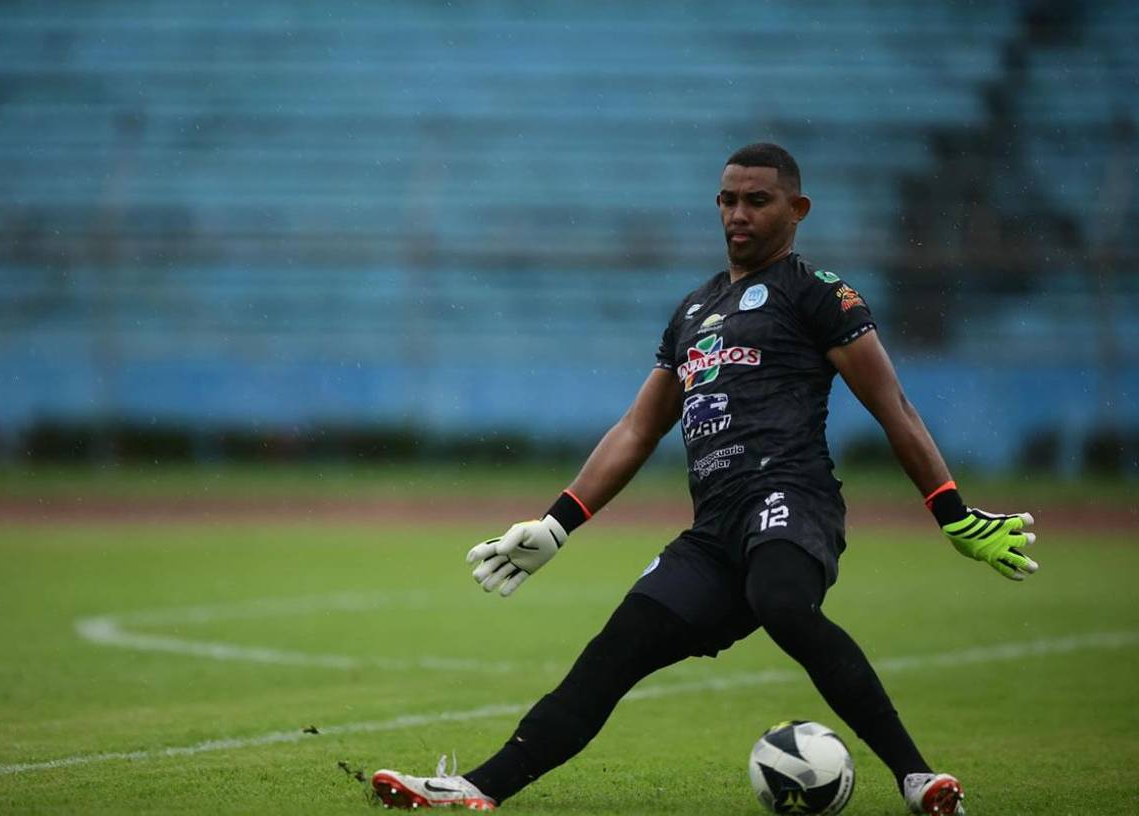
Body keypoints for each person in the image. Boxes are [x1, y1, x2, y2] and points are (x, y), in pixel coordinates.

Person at [371, 143, 1038, 815]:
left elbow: (893, 405)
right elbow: (638, 428)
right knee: (616, 649)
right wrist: (556, 521)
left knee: (781, 600)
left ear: (797, 209)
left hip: (791, 500)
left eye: (757, 200)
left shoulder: (819, 294)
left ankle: (918, 779)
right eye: (727, 199)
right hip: (715, 528)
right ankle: (479, 789)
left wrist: (951, 512)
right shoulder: (693, 311)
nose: (738, 213)